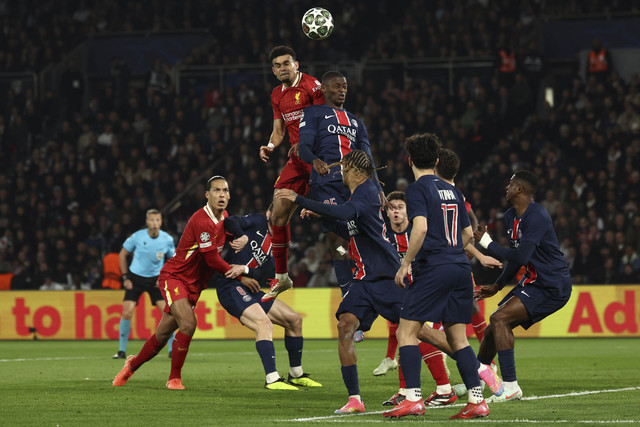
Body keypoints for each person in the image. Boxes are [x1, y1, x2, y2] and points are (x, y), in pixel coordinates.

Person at [383, 133, 502, 420]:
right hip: (460, 268)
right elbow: (466, 236)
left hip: (434, 267)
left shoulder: (416, 189)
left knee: (406, 332)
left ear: (409, 160)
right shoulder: (454, 190)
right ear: (437, 160)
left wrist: (406, 263)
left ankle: (412, 397)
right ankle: (477, 401)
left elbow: (420, 228)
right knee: (458, 338)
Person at [276, 149, 404, 414]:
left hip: (385, 276)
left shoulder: (366, 191)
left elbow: (345, 213)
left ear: (354, 170)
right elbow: (349, 228)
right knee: (345, 324)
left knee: (418, 332)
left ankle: (477, 370)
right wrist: (322, 216)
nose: (341, 172)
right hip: (364, 280)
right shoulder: (359, 195)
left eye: (344, 168)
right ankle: (355, 399)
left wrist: (300, 199)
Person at [113, 176, 249, 390]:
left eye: (225, 190)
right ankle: (174, 378)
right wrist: (242, 276)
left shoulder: (225, 219)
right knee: (189, 323)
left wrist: (243, 238)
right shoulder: (201, 220)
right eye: (216, 190)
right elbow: (212, 259)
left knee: (162, 335)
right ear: (207, 194)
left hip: (195, 285)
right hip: (175, 276)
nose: (221, 195)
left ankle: (131, 366)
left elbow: (235, 233)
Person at [473, 170, 573, 402]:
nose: (506, 188)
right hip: (533, 281)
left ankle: (510, 387)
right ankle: (479, 377)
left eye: (510, 184)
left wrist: (487, 243)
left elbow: (521, 255)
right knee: (492, 329)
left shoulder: (537, 215)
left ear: (520, 189)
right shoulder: (510, 217)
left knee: (499, 320)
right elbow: (515, 258)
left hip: (552, 285)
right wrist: (498, 286)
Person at [297, 70, 385, 297]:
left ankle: (367, 282)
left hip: (354, 186)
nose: (342, 90)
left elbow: (368, 158)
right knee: (337, 240)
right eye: (336, 86)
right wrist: (314, 160)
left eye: (344, 86)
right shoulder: (313, 112)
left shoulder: (357, 122)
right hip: (325, 183)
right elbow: (304, 146)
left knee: (359, 233)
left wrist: (378, 188)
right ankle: (349, 294)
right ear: (324, 89)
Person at [216, 207, 322, 390]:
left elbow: (266, 273)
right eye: (277, 212)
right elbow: (230, 220)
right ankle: (272, 378)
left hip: (250, 286)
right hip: (230, 285)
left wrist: (245, 270)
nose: (281, 216)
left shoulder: (280, 244)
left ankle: (296, 374)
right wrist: (242, 236)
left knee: (294, 320)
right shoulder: (257, 221)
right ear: (268, 213)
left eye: (285, 215)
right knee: (264, 324)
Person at [377, 191, 458, 408]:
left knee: (420, 336)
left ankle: (446, 387)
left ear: (408, 211)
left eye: (400, 207)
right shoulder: (383, 234)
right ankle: (405, 391)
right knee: (406, 336)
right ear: (386, 211)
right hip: (404, 295)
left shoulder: (420, 232)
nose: (396, 211)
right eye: (391, 207)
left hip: (427, 291)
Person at [258, 46, 324, 303]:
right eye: (278, 65)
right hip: (297, 160)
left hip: (319, 155)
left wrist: (307, 142)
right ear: (274, 71)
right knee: (277, 213)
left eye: (287, 63)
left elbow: (324, 119)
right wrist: (271, 146)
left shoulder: (313, 86)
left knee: (334, 220)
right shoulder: (277, 94)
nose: (283, 67)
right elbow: (278, 131)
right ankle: (282, 276)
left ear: (296, 64)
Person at [112, 209, 176, 359]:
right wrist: (125, 277)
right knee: (127, 311)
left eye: (157, 220)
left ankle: (172, 350)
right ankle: (121, 350)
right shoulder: (137, 237)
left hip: (155, 279)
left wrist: (165, 278)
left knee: (169, 313)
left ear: (161, 222)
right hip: (135, 278)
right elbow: (122, 254)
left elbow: (173, 260)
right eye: (152, 220)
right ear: (147, 222)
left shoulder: (167, 239)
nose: (155, 224)